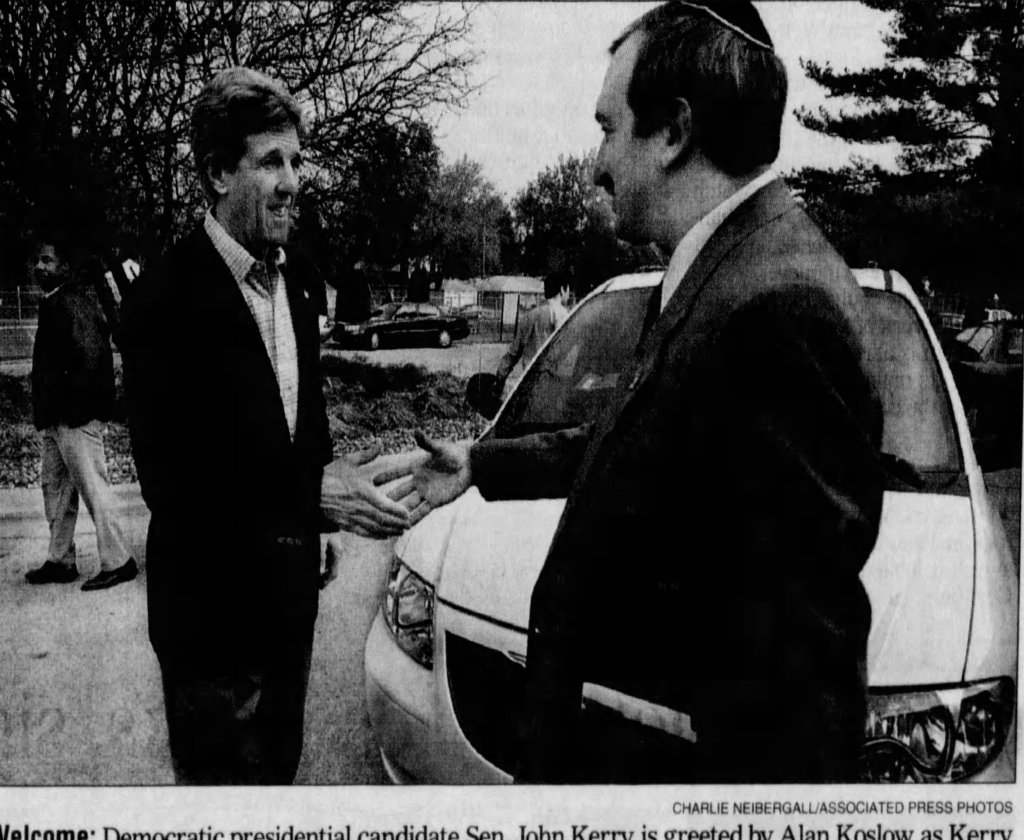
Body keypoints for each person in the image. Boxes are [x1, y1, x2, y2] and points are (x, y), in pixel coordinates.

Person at [412, 1, 884, 783]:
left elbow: (802, 676)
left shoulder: (776, 303)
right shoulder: (725, 267)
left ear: (673, 131)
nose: (595, 163)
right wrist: (482, 463)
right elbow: (650, 443)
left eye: (606, 127)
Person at [121, 67, 412, 785]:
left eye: (297, 159)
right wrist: (310, 496)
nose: (293, 181)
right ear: (218, 173)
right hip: (209, 619)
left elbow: (300, 418)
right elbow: (172, 478)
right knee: (225, 804)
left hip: (288, 598)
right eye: (271, 162)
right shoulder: (163, 298)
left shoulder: (300, 276)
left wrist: (315, 525)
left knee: (279, 776)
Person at [26, 232, 138, 592]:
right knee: (55, 491)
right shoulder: (56, 302)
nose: (40, 267)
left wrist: (77, 411)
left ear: (65, 267)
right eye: (38, 261)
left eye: (48, 261)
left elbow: (92, 360)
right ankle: (60, 561)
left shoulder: (73, 303)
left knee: (94, 489)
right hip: (59, 419)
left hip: (75, 417)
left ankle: (119, 561)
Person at [493, 269, 571, 393]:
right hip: (552, 386)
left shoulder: (530, 316)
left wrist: (500, 378)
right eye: (568, 289)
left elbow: (512, 354)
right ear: (562, 290)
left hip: (529, 385)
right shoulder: (566, 316)